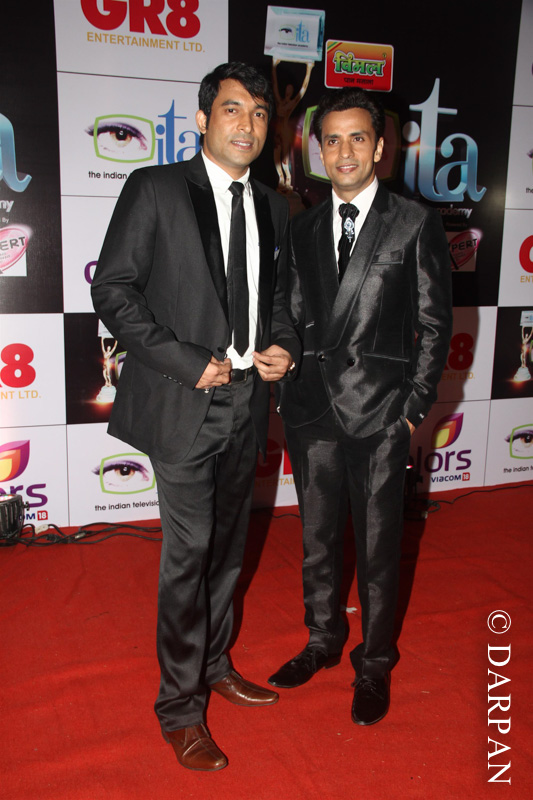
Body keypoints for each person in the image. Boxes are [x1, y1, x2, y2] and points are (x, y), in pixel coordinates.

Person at [92, 62, 300, 771]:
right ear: (205, 118)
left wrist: (283, 343)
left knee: (229, 549)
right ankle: (179, 709)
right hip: (183, 398)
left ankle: (214, 664)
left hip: (248, 398)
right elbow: (114, 290)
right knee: (190, 553)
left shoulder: (273, 205)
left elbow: (279, 299)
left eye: (260, 114)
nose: (248, 125)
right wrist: (185, 360)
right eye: (234, 110)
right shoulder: (154, 188)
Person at [268, 87, 452, 726]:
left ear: (379, 147)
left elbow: (435, 325)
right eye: (332, 140)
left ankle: (374, 662)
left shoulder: (414, 222)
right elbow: (288, 312)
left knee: (377, 549)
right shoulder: (303, 226)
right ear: (318, 152)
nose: (344, 151)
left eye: (357, 138)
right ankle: (322, 640)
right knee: (316, 540)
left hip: (379, 415)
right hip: (310, 411)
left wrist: (412, 409)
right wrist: (284, 363)